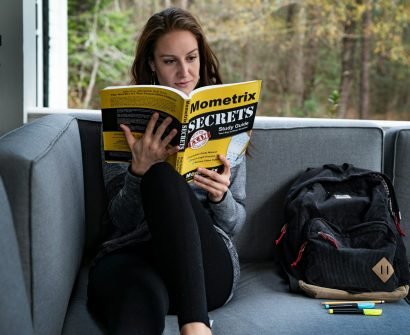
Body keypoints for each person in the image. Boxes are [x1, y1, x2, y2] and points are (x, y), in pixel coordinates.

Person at [87, 7, 247, 335]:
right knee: (133, 305)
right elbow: (121, 221)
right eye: (170, 61)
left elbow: (235, 224)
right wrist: (137, 171)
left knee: (162, 175)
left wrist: (221, 196)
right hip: (137, 257)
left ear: (202, 59)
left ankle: (196, 326)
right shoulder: (126, 124)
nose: (184, 72)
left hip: (205, 268)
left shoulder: (230, 127)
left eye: (191, 58)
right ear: (152, 65)